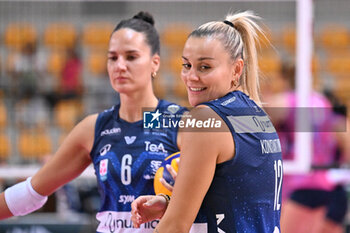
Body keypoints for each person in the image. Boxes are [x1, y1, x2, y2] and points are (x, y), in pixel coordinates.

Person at [0, 12, 186, 233]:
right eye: (113, 57)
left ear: (155, 63)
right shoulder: (95, 127)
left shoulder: (177, 120)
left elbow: (218, 188)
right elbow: (32, 191)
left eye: (131, 57)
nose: (120, 65)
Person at [131, 11, 282, 233]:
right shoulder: (258, 116)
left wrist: (174, 214)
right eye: (186, 65)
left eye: (204, 67)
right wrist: (172, 203)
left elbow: (174, 227)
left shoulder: (205, 119)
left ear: (236, 69)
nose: (191, 76)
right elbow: (241, 198)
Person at [266, 61, 349, 233]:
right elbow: (345, 136)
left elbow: (251, 122)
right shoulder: (322, 102)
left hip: (297, 183)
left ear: (283, 78)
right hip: (324, 184)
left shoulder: (285, 101)